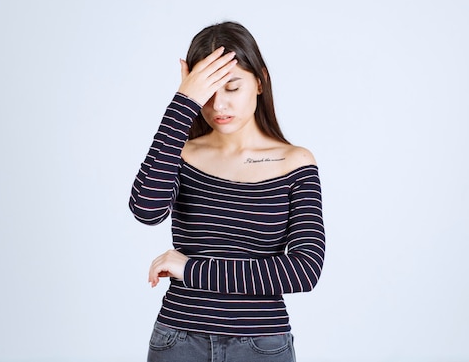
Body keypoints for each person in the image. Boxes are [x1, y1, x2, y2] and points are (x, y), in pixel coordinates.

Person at [129, 21, 325, 362]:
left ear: (260, 82)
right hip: (178, 340)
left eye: (232, 87)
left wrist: (192, 269)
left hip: (260, 345)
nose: (219, 106)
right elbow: (146, 209)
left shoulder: (295, 163)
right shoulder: (184, 154)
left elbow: (304, 270)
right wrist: (183, 102)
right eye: (208, 92)